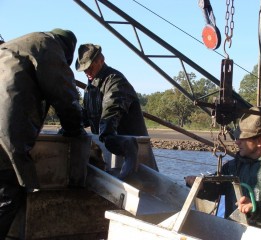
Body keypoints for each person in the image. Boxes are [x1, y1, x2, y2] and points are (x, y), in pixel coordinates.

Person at [0, 28, 86, 238]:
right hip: (5, 133)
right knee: (9, 193)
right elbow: (64, 96)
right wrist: (75, 129)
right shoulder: (48, 45)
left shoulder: (13, 45)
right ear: (67, 51)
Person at [185, 107, 261, 235]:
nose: (237, 142)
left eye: (242, 138)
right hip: (235, 233)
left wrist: (256, 208)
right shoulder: (232, 166)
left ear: (259, 141)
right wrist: (203, 186)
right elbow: (217, 188)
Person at [75, 43, 158, 180]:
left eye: (90, 67)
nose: (87, 72)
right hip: (109, 153)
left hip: (133, 154)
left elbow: (111, 113)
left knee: (145, 189)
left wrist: (106, 134)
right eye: (84, 70)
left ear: (101, 60)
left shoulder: (115, 81)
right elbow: (87, 116)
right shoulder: (90, 88)